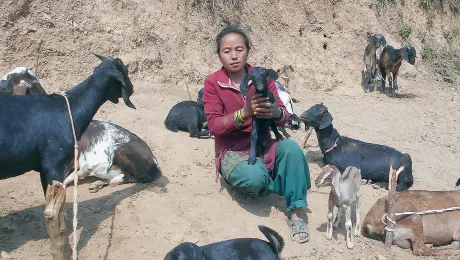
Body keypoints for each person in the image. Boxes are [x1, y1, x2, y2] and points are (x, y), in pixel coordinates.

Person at [202, 25, 312, 243]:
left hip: (263, 142)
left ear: (247, 50)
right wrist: (245, 112)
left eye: (239, 49)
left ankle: (297, 210)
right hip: (232, 148)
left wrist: (276, 112)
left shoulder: (262, 76)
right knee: (253, 178)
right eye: (227, 51)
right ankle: (272, 179)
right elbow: (214, 125)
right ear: (219, 55)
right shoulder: (213, 83)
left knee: (292, 150)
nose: (234, 56)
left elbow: (285, 117)